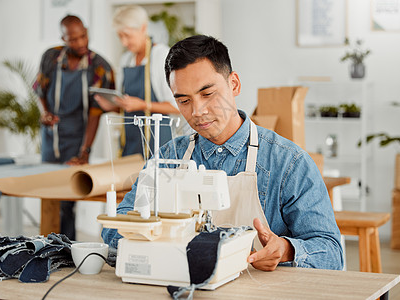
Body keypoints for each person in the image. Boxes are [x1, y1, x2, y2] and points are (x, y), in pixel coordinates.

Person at [102, 35, 343, 271]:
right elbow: (117, 224)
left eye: (207, 94)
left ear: (234, 84)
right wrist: (153, 234)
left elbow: (331, 252)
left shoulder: (289, 162)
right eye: (184, 101)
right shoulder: (169, 158)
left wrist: (287, 250)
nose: (197, 111)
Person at [33, 15, 115, 241]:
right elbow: (40, 89)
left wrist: (85, 150)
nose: (80, 43)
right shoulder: (51, 57)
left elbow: (95, 113)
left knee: (68, 199)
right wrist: (45, 113)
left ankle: (66, 248)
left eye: (83, 36)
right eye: (73, 39)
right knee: (49, 193)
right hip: (52, 137)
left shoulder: (100, 67)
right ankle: (47, 245)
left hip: (79, 138)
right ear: (63, 38)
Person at [93, 5, 179, 159]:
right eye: (120, 36)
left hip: (158, 143)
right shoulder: (126, 59)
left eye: (127, 35)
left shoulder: (161, 55)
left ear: (143, 28)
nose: (124, 42)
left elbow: (177, 106)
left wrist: (143, 105)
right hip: (131, 143)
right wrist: (113, 106)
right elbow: (128, 105)